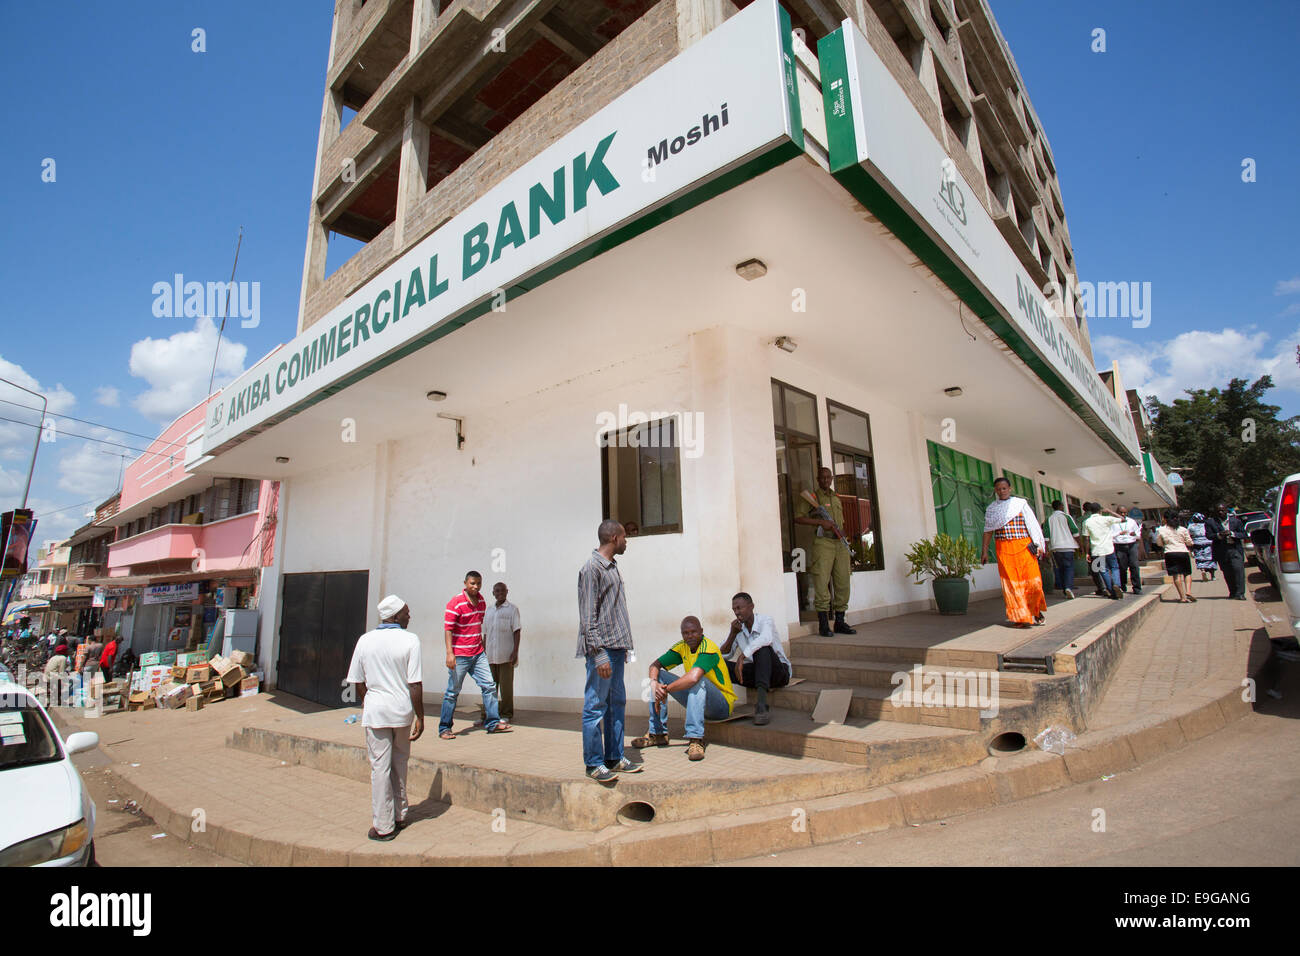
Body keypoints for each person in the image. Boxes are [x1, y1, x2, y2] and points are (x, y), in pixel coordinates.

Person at [344, 595, 424, 842]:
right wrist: (420, 716)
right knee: (399, 763)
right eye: (406, 612)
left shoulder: (365, 641)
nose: (409, 616)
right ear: (395, 616)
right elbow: (415, 684)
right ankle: (400, 815)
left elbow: (357, 681)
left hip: (376, 712)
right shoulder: (411, 640)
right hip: (402, 712)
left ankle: (383, 826)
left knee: (380, 768)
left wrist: (370, 702)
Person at [577, 519, 641, 783]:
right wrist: (599, 653)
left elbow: (613, 611)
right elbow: (588, 616)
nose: (627, 541)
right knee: (595, 705)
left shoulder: (612, 567)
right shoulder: (592, 568)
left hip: (616, 648)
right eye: (624, 537)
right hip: (601, 651)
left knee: (616, 703)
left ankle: (614, 757)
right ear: (614, 537)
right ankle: (594, 763)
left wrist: (622, 646)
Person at [632, 616, 735, 760]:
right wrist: (655, 684)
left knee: (698, 680)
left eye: (694, 632)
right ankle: (658, 734)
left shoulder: (709, 648)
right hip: (700, 701)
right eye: (686, 633)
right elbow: (654, 665)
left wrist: (666, 690)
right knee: (657, 678)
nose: (690, 636)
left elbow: (693, 678)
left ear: (701, 631)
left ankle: (696, 740)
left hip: (721, 706)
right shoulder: (682, 647)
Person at [440, 572, 510, 739]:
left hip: (478, 654)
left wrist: (482, 648)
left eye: (478, 583)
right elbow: (448, 629)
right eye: (472, 583)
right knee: (452, 692)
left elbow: (478, 626)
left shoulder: (482, 602)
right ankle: (444, 728)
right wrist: (450, 653)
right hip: (460, 655)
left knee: (489, 686)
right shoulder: (455, 603)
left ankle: (492, 723)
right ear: (465, 583)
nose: (475, 586)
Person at [794, 466, 856, 637]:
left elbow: (840, 521)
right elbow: (798, 518)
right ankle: (823, 624)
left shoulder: (836, 498)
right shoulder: (813, 497)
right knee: (822, 582)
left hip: (840, 544)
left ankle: (840, 621)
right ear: (817, 479)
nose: (826, 480)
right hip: (823, 543)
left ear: (832, 478)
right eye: (822, 478)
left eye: (828, 477)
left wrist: (842, 531)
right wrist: (820, 523)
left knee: (843, 581)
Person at [981, 477, 1048, 627]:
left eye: (1004, 488)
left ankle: (1035, 611)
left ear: (1009, 489)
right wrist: (984, 551)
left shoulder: (1020, 504)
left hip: (1024, 548)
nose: (1001, 491)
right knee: (1012, 585)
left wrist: (1037, 544)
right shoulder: (992, 509)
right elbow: (988, 531)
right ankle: (1021, 617)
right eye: (998, 489)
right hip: (1004, 549)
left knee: (1033, 583)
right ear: (995, 491)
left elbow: (1032, 524)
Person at [718, 592, 790, 725]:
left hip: (778, 673)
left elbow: (766, 639)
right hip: (757, 674)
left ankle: (761, 706)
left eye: (740, 608)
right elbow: (723, 654)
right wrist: (732, 635)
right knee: (717, 663)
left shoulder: (765, 620)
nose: (737, 612)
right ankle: (719, 705)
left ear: (751, 606)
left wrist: (742, 656)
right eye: (734, 609)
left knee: (761, 648)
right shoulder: (738, 628)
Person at [479, 581, 521, 723]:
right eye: (497, 591)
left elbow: (516, 631)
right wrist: (482, 652)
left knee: (506, 688)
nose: (500, 593)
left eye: (502, 591)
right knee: (489, 687)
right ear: (493, 593)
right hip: (490, 656)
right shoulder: (489, 610)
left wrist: (515, 651)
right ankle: (488, 715)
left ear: (507, 592)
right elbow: (485, 634)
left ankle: (506, 714)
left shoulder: (512, 609)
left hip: (506, 656)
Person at [1081, 502, 1124, 600]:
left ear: (1090, 511)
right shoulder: (1106, 518)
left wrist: (1087, 552)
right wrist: (1110, 511)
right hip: (1109, 549)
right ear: (1100, 510)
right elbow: (1123, 519)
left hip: (1096, 551)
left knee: (1103, 571)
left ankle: (1112, 591)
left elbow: (1086, 539)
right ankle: (1117, 584)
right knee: (1114, 568)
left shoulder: (1086, 522)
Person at [1206, 504, 1247, 600]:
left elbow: (1244, 534)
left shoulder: (1236, 521)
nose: (1220, 513)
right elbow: (1208, 535)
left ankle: (1240, 593)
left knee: (1238, 571)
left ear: (1226, 511)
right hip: (1221, 551)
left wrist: (1232, 533)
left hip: (1234, 549)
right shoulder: (1210, 522)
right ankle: (1232, 593)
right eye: (1218, 511)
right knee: (1227, 573)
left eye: (1222, 510)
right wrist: (1219, 535)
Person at [1153, 512, 1197, 603]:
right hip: (1183, 552)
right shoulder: (1183, 529)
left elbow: (1159, 543)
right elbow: (1189, 542)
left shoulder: (1161, 530)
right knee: (1187, 573)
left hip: (1170, 552)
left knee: (1176, 575)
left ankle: (1182, 597)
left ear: (1165, 519)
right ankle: (1188, 591)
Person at [1045, 499, 1081, 599]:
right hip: (1068, 547)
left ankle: (1065, 589)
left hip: (1056, 548)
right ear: (1061, 506)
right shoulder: (1067, 516)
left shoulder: (1049, 519)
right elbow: (1075, 532)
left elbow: (1046, 536)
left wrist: (1047, 549)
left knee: (1060, 569)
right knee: (1069, 568)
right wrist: (1080, 544)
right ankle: (1068, 587)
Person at [1112, 506, 1144, 595]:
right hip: (1119, 546)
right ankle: (1122, 585)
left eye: (1125, 512)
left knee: (1134, 566)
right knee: (1122, 567)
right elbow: (1110, 535)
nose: (1123, 514)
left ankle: (1137, 587)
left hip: (1131, 545)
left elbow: (1138, 534)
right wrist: (1119, 533)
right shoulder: (1113, 522)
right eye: (1121, 512)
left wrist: (1134, 534)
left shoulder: (1131, 521)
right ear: (1117, 512)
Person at [1187, 513, 1217, 582]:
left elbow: (1189, 535)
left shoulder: (1191, 526)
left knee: (1200, 559)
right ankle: (1213, 576)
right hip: (1208, 544)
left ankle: (1203, 570)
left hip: (1197, 545)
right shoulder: (1206, 525)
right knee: (1211, 559)